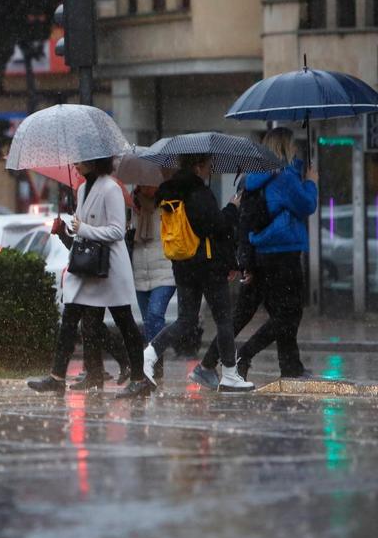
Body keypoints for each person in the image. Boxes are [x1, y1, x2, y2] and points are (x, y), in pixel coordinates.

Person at [191, 129, 318, 388]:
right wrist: (311, 181)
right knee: (288, 314)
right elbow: (307, 205)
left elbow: (246, 221)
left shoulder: (254, 178)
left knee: (247, 314)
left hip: (259, 255)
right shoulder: (284, 177)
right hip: (283, 253)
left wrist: (245, 260)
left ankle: (209, 363)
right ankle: (244, 356)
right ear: (285, 147)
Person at [134, 153, 253, 395]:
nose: (210, 170)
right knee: (223, 319)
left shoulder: (171, 191)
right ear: (198, 167)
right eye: (208, 166)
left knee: (186, 319)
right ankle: (230, 374)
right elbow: (215, 227)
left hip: (183, 264)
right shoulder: (198, 192)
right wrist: (232, 208)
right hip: (207, 266)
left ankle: (148, 354)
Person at [28, 158, 149, 395]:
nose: (74, 164)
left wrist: (83, 228)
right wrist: (69, 229)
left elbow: (116, 230)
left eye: (80, 160)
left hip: (109, 266)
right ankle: (57, 376)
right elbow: (82, 226)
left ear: (94, 161)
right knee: (71, 317)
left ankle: (138, 378)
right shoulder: (83, 188)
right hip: (86, 265)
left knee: (124, 321)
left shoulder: (111, 188)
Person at [131, 185, 177, 378]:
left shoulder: (168, 206)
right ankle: (152, 365)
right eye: (142, 184)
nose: (146, 187)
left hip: (165, 270)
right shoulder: (133, 208)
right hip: (140, 271)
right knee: (147, 321)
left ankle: (154, 363)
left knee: (155, 315)